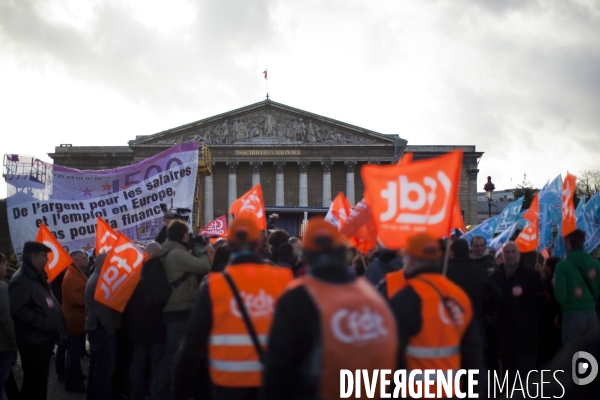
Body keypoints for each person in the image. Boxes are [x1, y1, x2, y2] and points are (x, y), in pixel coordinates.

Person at [262, 218, 397, 400]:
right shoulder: (373, 297)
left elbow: (278, 370)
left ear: (306, 256)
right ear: (343, 254)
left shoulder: (297, 298)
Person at [172, 217, 293, 400]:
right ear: (259, 242)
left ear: (229, 245)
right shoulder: (283, 279)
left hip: (228, 385)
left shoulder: (214, 286)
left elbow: (192, 344)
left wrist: (179, 392)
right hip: (273, 383)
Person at [389, 233, 484, 397]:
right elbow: (473, 355)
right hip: (452, 392)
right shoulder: (459, 297)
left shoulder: (406, 297)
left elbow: (391, 356)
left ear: (410, 260)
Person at [155, 220, 211, 399]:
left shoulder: (168, 250)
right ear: (184, 235)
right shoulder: (177, 253)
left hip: (176, 308)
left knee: (174, 354)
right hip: (179, 309)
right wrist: (199, 248)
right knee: (173, 356)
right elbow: (204, 266)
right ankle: (160, 393)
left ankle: (166, 392)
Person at [9, 241, 65, 400]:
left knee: (38, 384)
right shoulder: (21, 280)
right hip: (33, 342)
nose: (47, 260)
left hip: (41, 340)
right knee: (34, 385)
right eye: (44, 256)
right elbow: (19, 311)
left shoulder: (36, 278)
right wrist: (46, 324)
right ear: (33, 257)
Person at [491, 241, 547, 376]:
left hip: (526, 340)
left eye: (513, 252)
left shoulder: (531, 276)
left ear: (519, 254)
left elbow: (542, 304)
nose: (510, 255)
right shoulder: (495, 277)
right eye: (507, 252)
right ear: (502, 255)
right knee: (509, 382)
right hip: (505, 341)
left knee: (527, 380)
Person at [85, 252, 122, 400]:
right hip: (102, 331)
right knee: (104, 369)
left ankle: (94, 395)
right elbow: (103, 310)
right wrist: (111, 328)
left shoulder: (95, 277)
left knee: (97, 367)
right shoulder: (99, 280)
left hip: (97, 329)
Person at [555, 229, 600, 347]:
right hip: (592, 315)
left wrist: (554, 285)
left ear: (568, 242)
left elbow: (561, 297)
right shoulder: (595, 264)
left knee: (573, 356)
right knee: (591, 355)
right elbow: (597, 292)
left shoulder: (562, 266)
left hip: (572, 316)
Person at [62, 250, 89, 393]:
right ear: (76, 261)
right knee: (74, 353)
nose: (87, 259)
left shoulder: (76, 273)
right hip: (75, 320)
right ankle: (73, 382)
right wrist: (91, 297)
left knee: (75, 352)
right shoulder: (72, 276)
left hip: (78, 319)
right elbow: (76, 300)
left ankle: (75, 376)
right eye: (84, 258)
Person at [538, 256, 562, 366]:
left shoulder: (548, 283)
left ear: (549, 268)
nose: (542, 268)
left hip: (548, 322)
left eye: (544, 265)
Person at [0, 253, 17, 400]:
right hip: (2, 343)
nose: (5, 267)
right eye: (4, 264)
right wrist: (15, 339)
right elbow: (6, 316)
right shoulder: (1, 287)